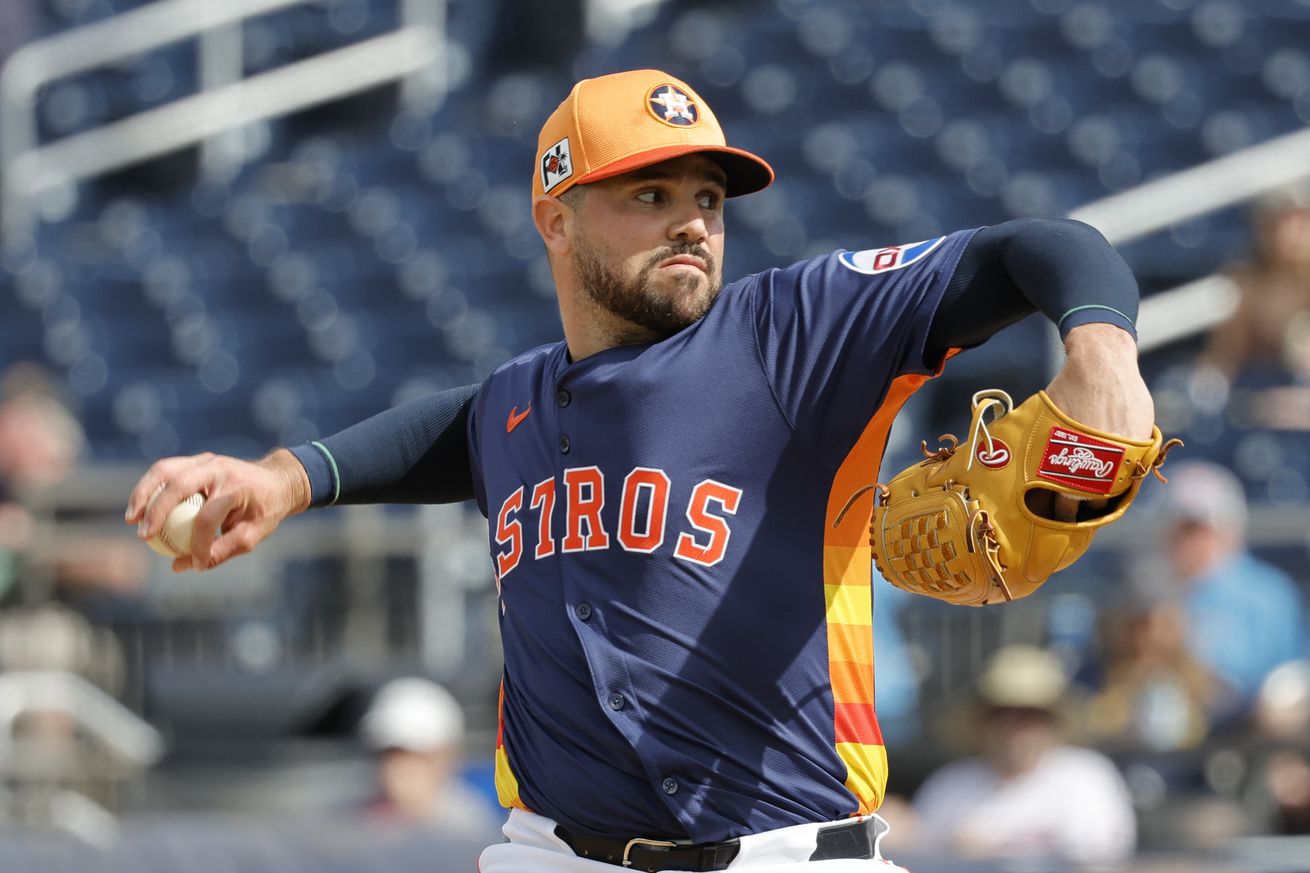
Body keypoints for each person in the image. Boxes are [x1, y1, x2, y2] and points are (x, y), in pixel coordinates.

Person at [125, 69, 1157, 871]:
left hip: (782, 853)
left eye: (708, 197)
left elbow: (1043, 244)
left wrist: (1101, 351)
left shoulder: (795, 334)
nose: (691, 222)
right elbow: (456, 429)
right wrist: (289, 476)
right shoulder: (517, 402)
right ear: (555, 219)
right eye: (649, 192)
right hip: (551, 849)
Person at [912, 645, 1137, 868]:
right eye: (1001, 714)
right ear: (982, 721)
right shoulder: (948, 784)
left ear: (1052, 722)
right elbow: (918, 856)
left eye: (1029, 716)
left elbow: (1103, 859)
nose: (1014, 727)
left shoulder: (1087, 777)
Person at [1158, 461, 1306, 720]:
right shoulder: (1151, 592)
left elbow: (1293, 673)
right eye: (1180, 529)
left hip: (1255, 734)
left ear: (1229, 528)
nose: (1189, 541)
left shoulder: (1269, 593)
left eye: (1198, 529)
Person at [358, 677, 502, 836]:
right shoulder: (366, 821)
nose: (396, 770)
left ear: (444, 757)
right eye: (388, 755)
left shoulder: (470, 825)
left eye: (412, 756)